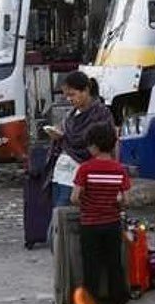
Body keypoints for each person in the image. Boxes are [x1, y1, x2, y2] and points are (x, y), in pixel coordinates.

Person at [71, 122, 131, 304]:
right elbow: (125, 200)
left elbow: (75, 197)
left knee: (91, 267)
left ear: (93, 146)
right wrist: (115, 203)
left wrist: (87, 201)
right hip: (112, 224)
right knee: (115, 265)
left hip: (89, 224)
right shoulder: (120, 170)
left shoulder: (85, 169)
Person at [46, 71, 114, 210]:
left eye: (72, 94)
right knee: (57, 217)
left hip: (80, 175)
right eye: (67, 96)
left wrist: (64, 138)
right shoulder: (70, 115)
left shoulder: (100, 114)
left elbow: (101, 142)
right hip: (60, 174)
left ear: (86, 90)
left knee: (67, 214)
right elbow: (67, 136)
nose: (69, 99)